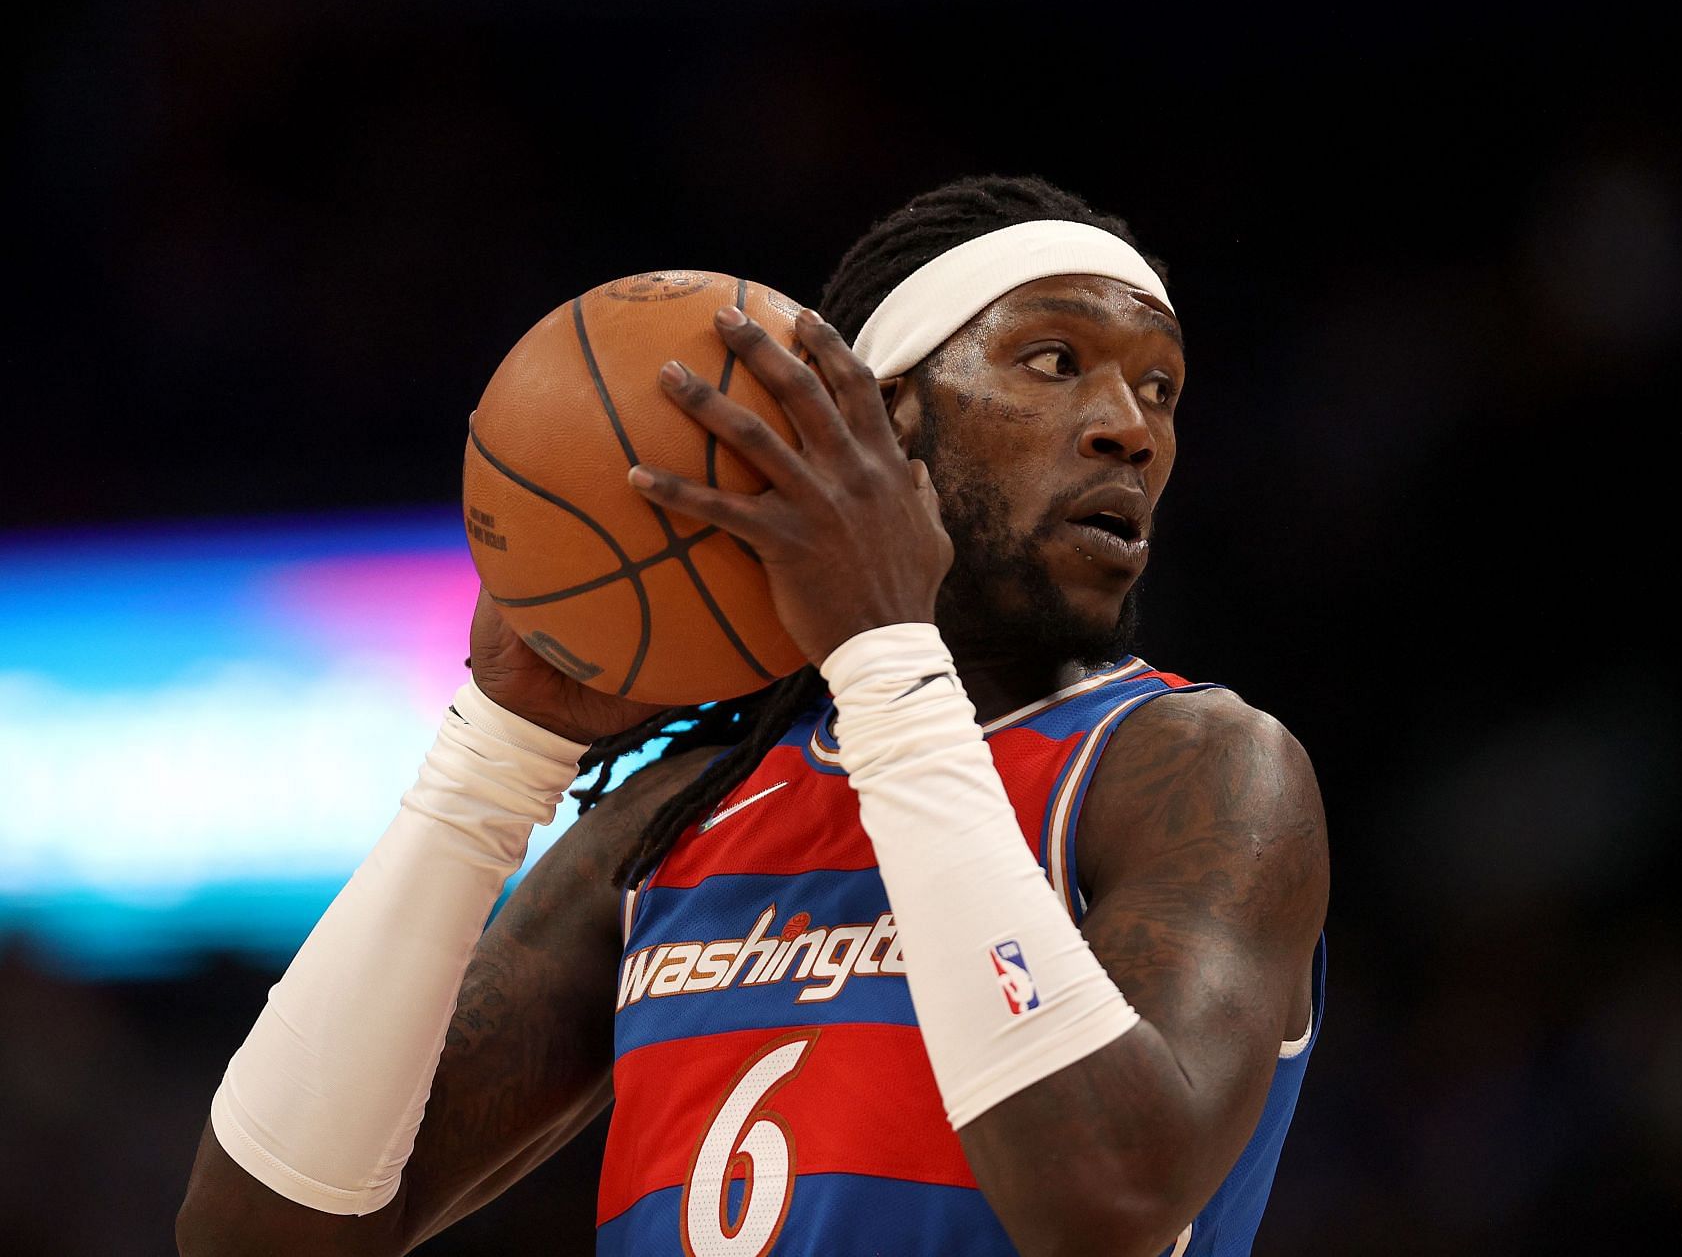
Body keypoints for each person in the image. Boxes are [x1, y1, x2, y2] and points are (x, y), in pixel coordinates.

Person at [176, 175, 1330, 1257]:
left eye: (1160, 388)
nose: (1130, 425)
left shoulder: (1197, 769)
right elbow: (256, 1231)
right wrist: (496, 753)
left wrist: (885, 661)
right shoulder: (686, 813)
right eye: (1054, 360)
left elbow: (1105, 1200)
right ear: (876, 426)